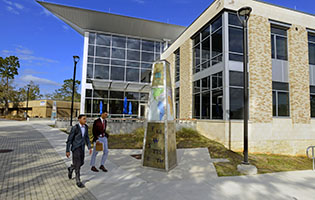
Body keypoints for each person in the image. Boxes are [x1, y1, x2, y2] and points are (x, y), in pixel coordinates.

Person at [66, 114, 92, 188]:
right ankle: (78, 180)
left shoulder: (86, 127)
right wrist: (67, 150)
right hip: (75, 148)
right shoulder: (75, 128)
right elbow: (69, 140)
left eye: (85, 119)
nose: (85, 120)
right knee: (77, 164)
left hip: (82, 147)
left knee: (81, 162)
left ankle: (71, 168)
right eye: (84, 119)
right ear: (79, 119)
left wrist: (89, 147)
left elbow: (86, 137)